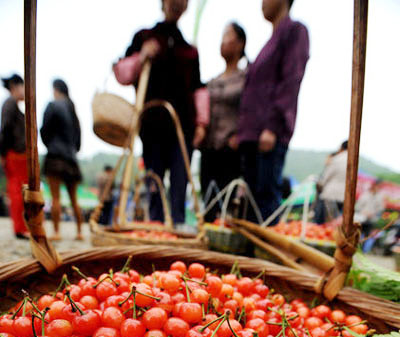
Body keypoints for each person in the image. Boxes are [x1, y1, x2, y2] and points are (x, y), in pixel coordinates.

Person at [118, 0, 209, 226]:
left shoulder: (189, 50)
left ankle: (177, 227)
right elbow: (123, 73)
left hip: (182, 128)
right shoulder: (144, 37)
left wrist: (201, 123)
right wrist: (141, 57)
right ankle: (156, 226)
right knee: (154, 178)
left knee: (180, 181)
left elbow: (198, 87)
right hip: (152, 125)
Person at [238, 0, 309, 222]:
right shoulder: (270, 41)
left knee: (265, 202)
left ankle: (263, 254)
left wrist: (273, 126)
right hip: (251, 135)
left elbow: (291, 80)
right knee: (250, 204)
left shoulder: (294, 31)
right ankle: (248, 255)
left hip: (267, 133)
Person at [200, 22, 247, 222]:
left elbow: (250, 110)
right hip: (209, 149)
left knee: (227, 203)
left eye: (228, 35)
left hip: (230, 150)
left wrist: (239, 135)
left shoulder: (245, 78)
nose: (223, 41)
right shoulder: (213, 81)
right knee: (209, 200)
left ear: (240, 43)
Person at [40, 79, 83, 240]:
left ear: (56, 90)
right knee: (74, 199)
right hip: (71, 158)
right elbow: (79, 137)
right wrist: (73, 150)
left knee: (55, 197)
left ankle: (57, 232)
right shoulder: (73, 110)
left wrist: (50, 144)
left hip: (55, 155)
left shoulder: (52, 105)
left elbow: (44, 130)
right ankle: (79, 232)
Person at [0, 74, 29, 239]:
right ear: (14, 86)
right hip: (14, 155)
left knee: (20, 191)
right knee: (17, 192)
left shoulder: (13, 105)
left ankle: (23, 226)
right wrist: (3, 153)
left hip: (19, 155)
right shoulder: (9, 104)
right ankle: (19, 228)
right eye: (22, 87)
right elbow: (4, 131)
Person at [315, 140, 348, 224]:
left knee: (321, 223)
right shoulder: (353, 161)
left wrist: (319, 185)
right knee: (333, 223)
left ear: (341, 147)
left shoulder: (337, 159)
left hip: (329, 195)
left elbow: (325, 178)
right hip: (342, 196)